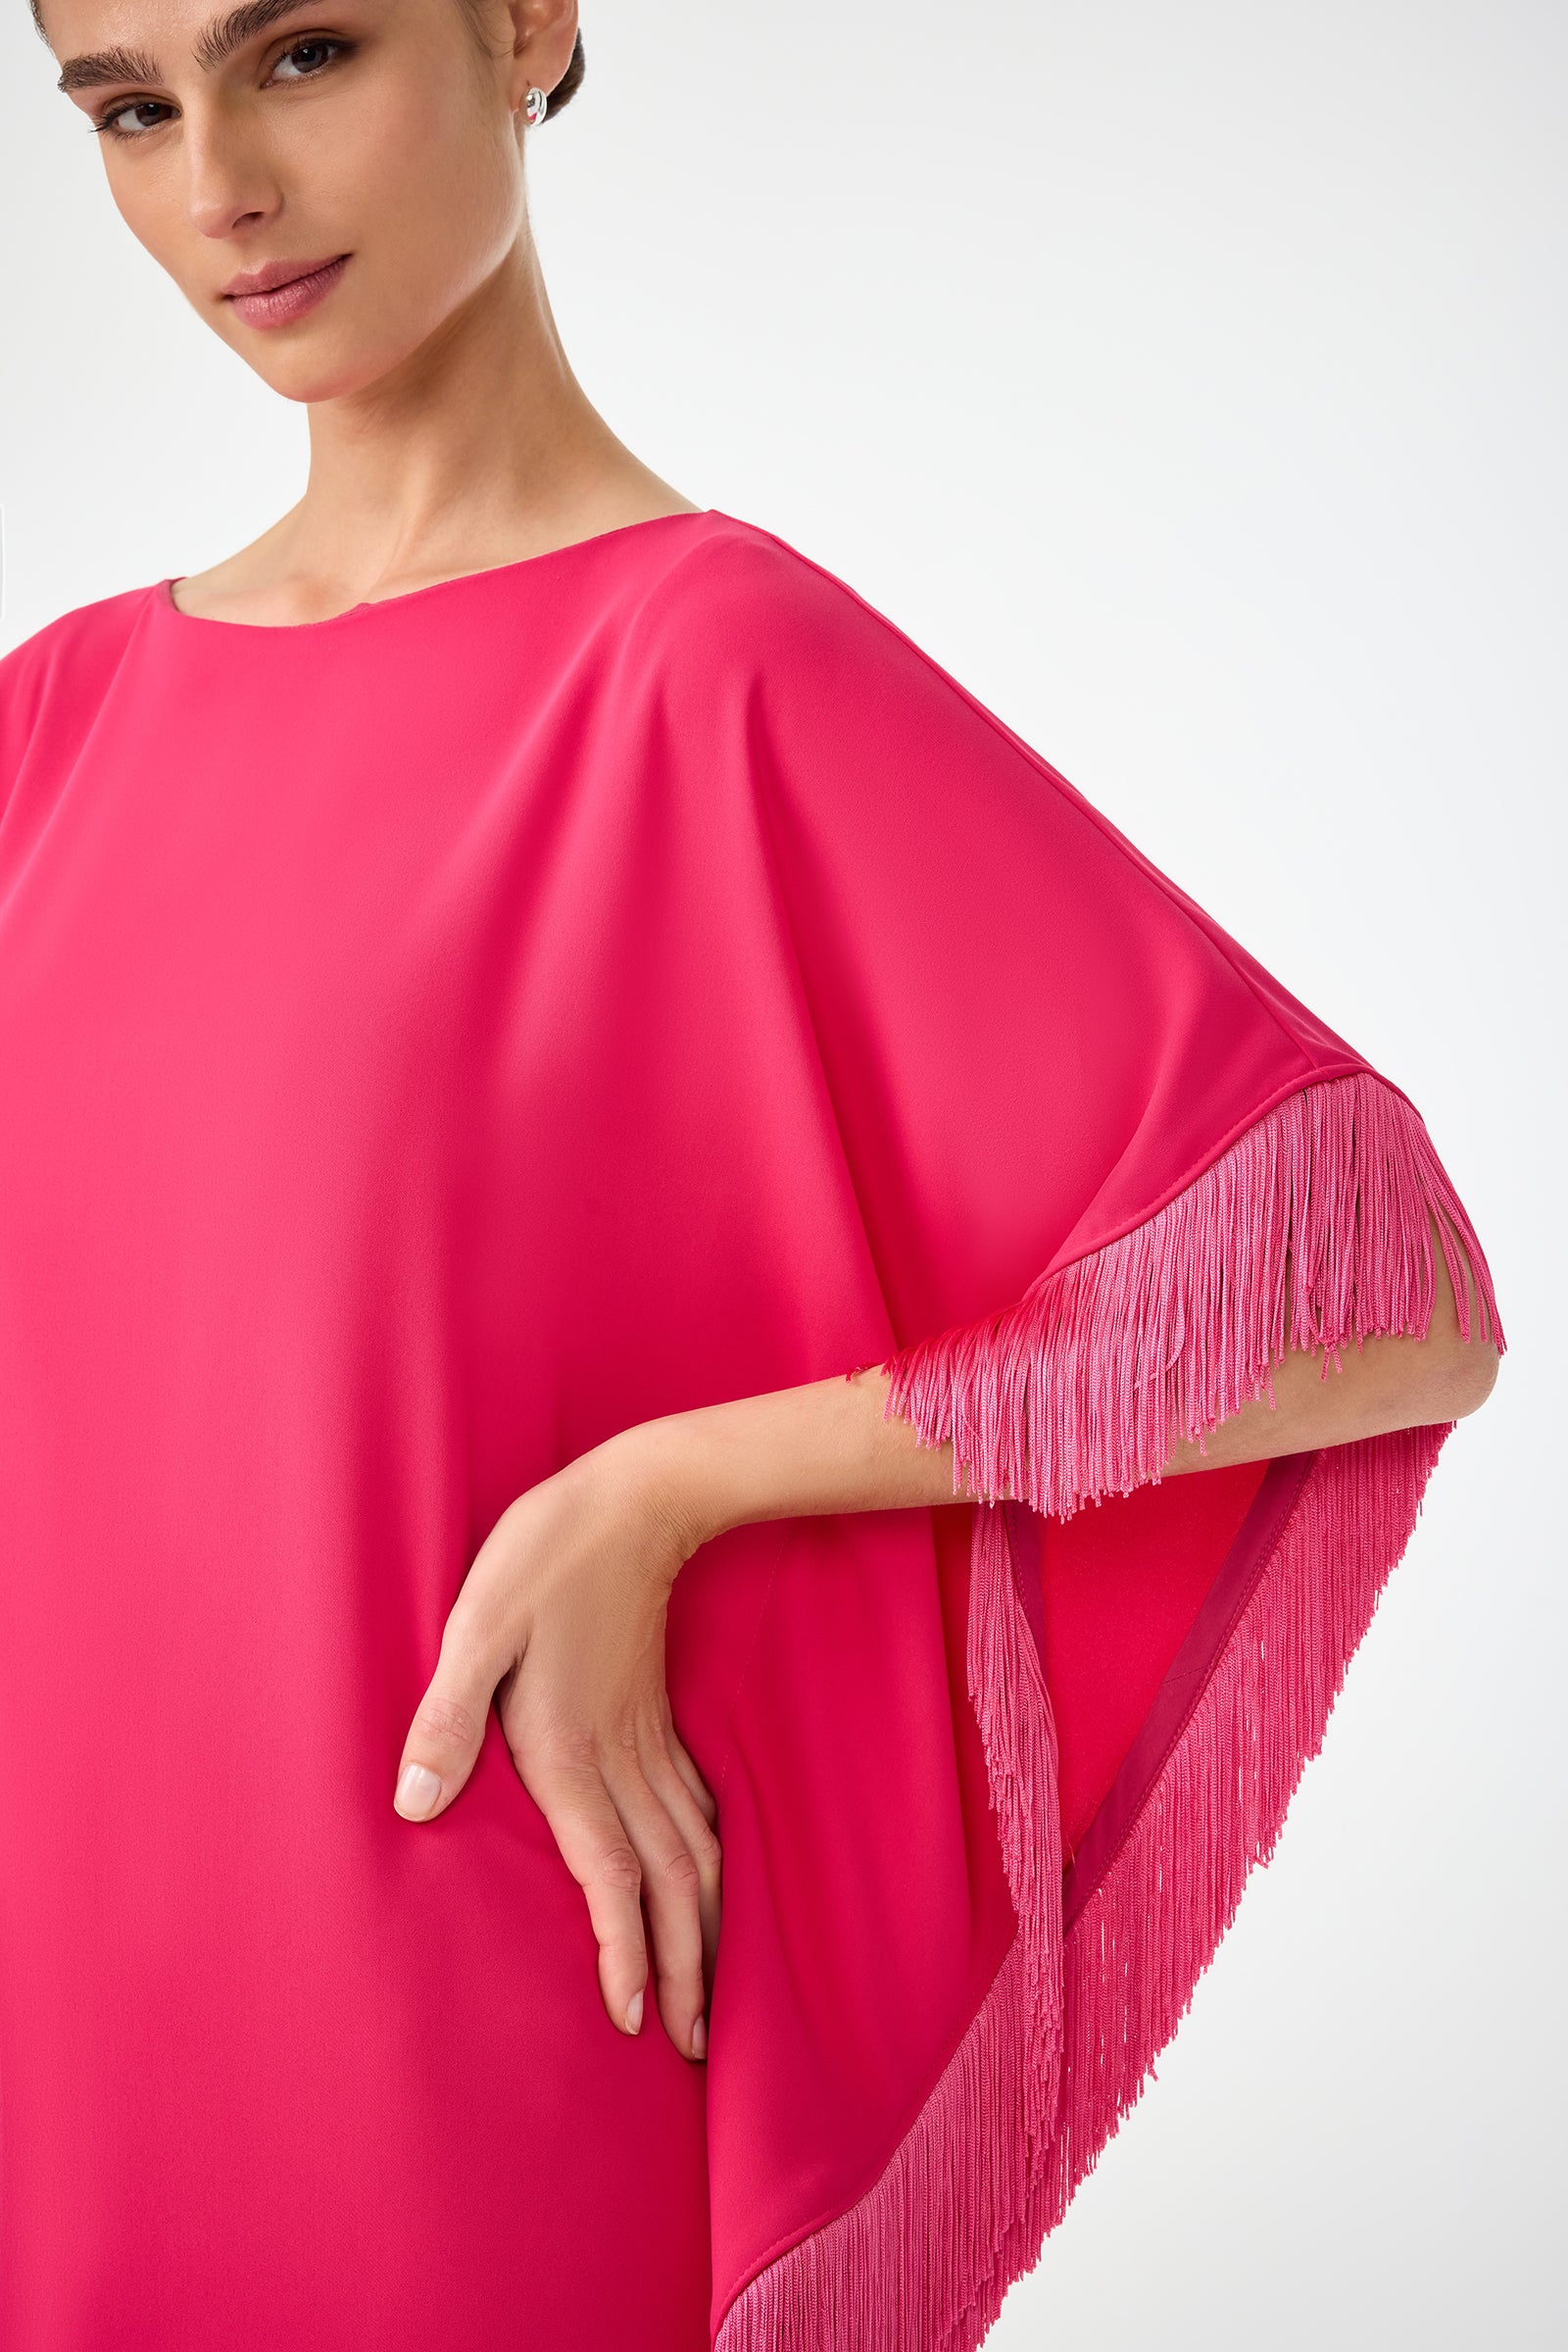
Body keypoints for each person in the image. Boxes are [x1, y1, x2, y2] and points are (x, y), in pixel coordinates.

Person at [0, 4, 1503, 2348]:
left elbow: (1377, 1289)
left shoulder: (704, 667)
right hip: (65, 2036)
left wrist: (665, 1487)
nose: (217, 186)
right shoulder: (57, 724)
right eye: (124, 108)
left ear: (522, 24)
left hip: (474, 2023)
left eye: (295, 50)